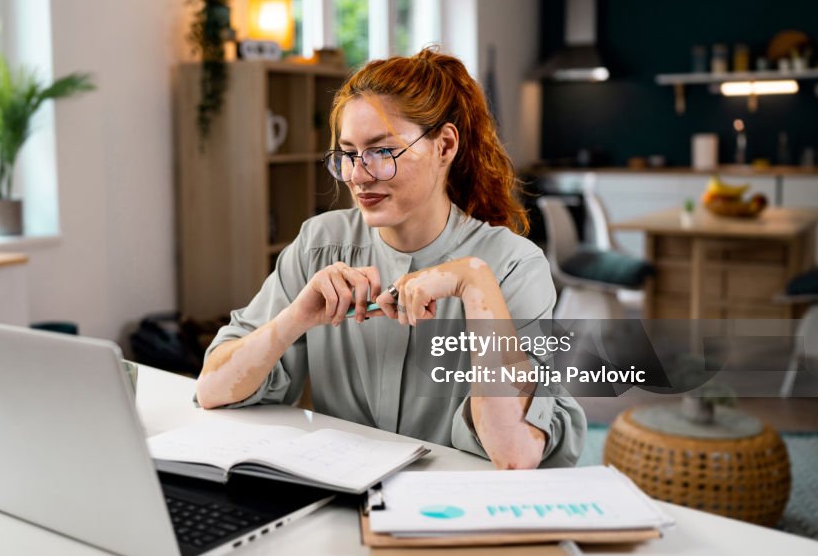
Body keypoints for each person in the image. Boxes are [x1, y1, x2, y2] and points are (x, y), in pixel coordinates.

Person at [195, 48, 585, 469]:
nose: (358, 175)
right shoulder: (320, 243)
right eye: (347, 154)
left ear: (445, 146)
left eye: (382, 152)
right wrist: (296, 318)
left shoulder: (512, 266)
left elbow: (514, 453)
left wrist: (473, 283)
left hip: (454, 512)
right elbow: (212, 389)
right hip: (341, 502)